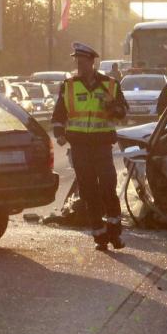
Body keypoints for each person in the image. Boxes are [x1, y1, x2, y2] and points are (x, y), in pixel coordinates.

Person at [51, 42, 129, 250]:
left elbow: (123, 113)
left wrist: (114, 108)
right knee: (88, 192)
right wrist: (59, 133)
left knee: (107, 188)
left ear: (92, 62)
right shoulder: (69, 85)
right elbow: (59, 114)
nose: (79, 64)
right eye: (76, 60)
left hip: (102, 145)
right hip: (79, 147)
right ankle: (99, 235)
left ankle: (115, 232)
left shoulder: (110, 84)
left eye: (83, 61)